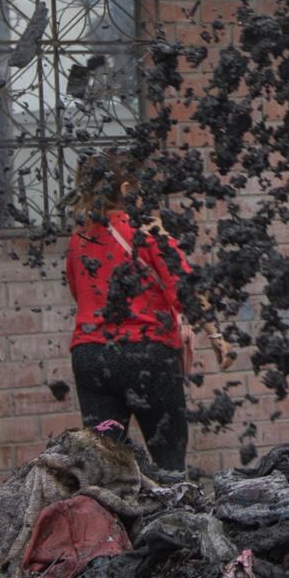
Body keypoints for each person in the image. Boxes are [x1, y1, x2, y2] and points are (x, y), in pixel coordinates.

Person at [64, 153, 233, 471]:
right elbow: (185, 291)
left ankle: (106, 505)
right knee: (169, 461)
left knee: (103, 467)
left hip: (91, 357)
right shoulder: (148, 232)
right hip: (147, 355)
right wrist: (217, 336)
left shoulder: (79, 239)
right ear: (126, 190)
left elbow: (80, 294)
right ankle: (172, 504)